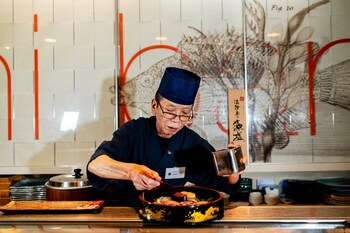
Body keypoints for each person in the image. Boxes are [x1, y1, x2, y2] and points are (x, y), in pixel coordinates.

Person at [87, 67, 244, 206]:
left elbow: (223, 185)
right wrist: (131, 171)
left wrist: (234, 168)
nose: (176, 120)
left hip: (172, 216)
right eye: (169, 111)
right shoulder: (134, 131)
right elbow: (95, 165)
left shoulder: (191, 143)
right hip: (130, 216)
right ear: (154, 106)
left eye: (184, 114)